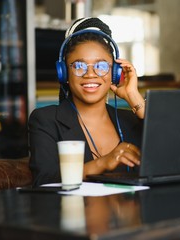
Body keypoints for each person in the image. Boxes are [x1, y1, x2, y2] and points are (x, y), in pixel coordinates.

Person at [28, 17, 146, 187]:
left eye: (101, 66)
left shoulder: (132, 120)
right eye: (79, 66)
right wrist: (102, 163)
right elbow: (44, 180)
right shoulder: (45, 120)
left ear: (114, 73)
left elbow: (175, 154)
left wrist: (133, 95)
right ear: (64, 73)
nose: (90, 74)